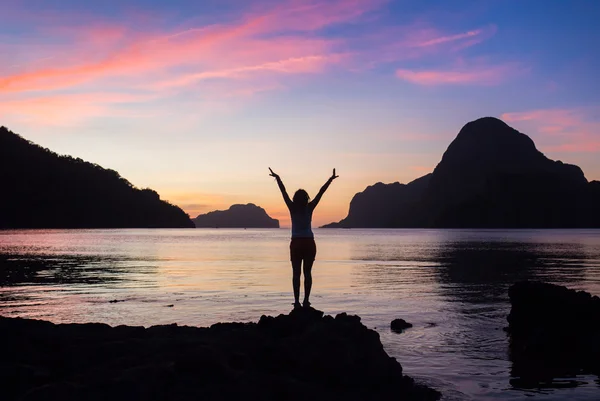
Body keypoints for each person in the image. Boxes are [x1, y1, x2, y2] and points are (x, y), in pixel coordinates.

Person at [269, 167, 339, 308]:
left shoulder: (292, 207)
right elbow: (321, 192)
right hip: (309, 243)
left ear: (295, 199)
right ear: (306, 198)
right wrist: (330, 180)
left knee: (296, 274)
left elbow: (283, 192)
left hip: (296, 244)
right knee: (307, 273)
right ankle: (306, 301)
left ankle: (296, 302)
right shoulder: (310, 207)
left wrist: (278, 178)